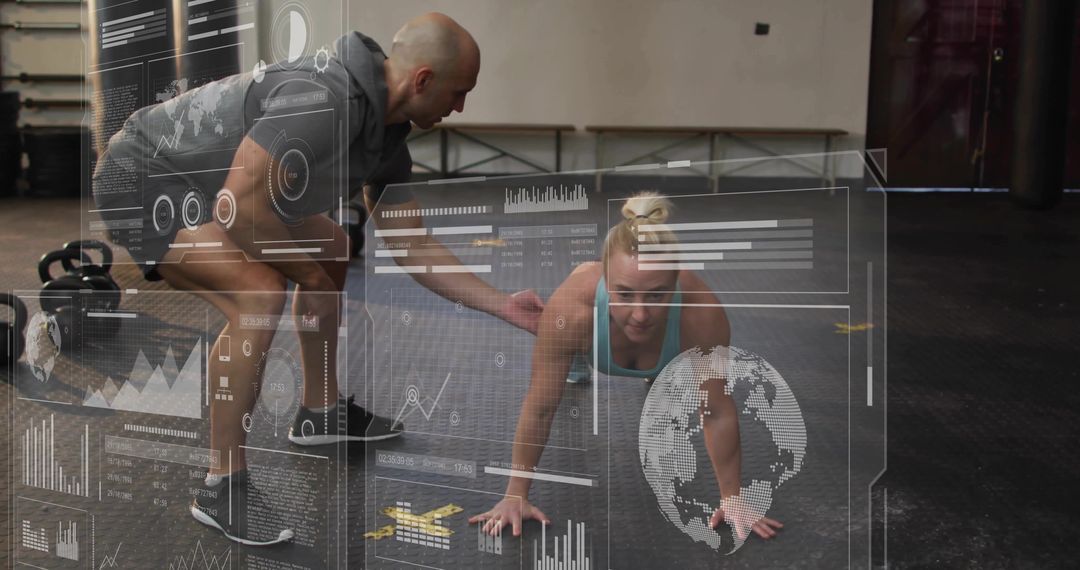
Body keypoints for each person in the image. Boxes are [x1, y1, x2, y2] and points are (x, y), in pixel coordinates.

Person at [91, 12, 543, 545]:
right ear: (422, 80)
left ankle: (320, 413)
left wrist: (502, 304)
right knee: (259, 295)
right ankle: (221, 485)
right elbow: (238, 207)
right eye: (458, 92)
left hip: (213, 186)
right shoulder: (324, 100)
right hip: (143, 177)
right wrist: (307, 275)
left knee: (332, 249)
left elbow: (413, 245)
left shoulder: (386, 137)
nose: (460, 107)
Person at [468, 192, 784, 544]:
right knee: (571, 338)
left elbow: (717, 412)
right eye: (624, 294)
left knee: (664, 360)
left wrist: (732, 498)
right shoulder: (571, 311)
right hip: (588, 331)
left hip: (665, 343)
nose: (640, 314)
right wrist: (515, 494)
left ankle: (656, 365)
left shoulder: (701, 316)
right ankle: (578, 356)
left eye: (656, 295)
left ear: (677, 281)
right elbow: (541, 408)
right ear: (606, 281)